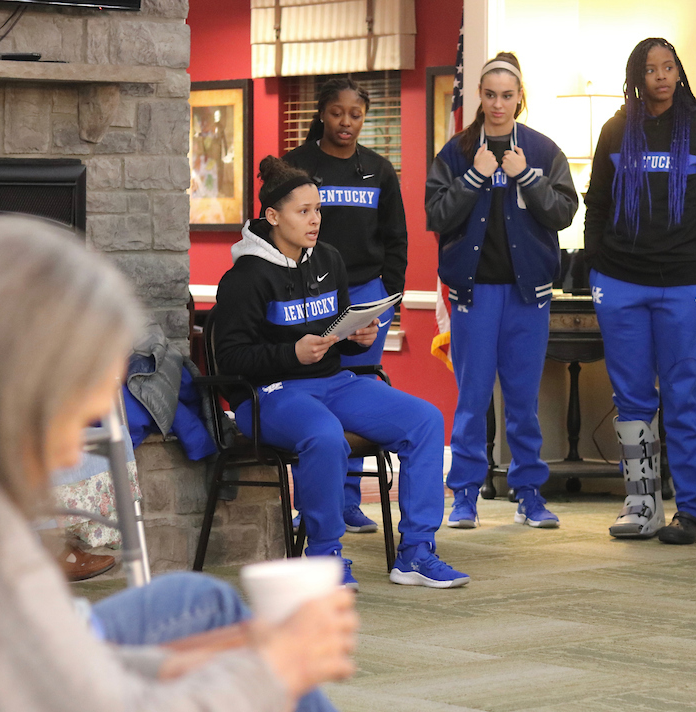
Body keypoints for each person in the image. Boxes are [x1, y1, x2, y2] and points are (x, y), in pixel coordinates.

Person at [0, 215, 512, 712]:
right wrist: (271, 671)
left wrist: (199, 658)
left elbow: (56, 674)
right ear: (17, 392)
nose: (72, 447)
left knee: (207, 606)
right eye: (79, 408)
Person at [216, 157, 468, 590]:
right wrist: (291, 353)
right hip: (269, 394)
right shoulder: (244, 276)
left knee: (425, 420)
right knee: (325, 435)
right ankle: (323, 557)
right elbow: (231, 360)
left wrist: (358, 336)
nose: (315, 220)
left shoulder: (328, 259)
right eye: (303, 211)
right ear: (273, 216)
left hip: (333, 382)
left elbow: (335, 327)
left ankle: (416, 553)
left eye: (318, 209)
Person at [583, 37, 696, 544]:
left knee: (682, 398)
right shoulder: (615, 131)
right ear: (638, 74)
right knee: (631, 398)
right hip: (620, 283)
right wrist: (596, 270)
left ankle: (690, 511)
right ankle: (642, 505)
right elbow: (598, 207)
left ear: (679, 72)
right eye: (650, 69)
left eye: (668, 67)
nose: (660, 76)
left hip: (683, 286)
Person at [425, 52, 579, 530]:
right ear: (479, 97)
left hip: (527, 295)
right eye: (490, 95)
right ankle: (465, 495)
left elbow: (563, 212)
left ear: (519, 98)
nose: (498, 104)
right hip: (473, 295)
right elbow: (436, 216)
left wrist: (525, 176)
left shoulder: (542, 150)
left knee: (522, 400)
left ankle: (529, 494)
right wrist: (474, 177)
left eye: (507, 96)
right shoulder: (455, 152)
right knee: (471, 400)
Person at [284, 78, 408, 536]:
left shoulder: (378, 168)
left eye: (355, 115)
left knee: (359, 396)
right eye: (337, 113)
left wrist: (387, 298)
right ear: (321, 113)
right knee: (310, 392)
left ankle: (351, 501)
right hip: (310, 294)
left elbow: (396, 238)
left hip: (365, 296)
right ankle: (314, 502)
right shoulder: (296, 166)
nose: (346, 122)